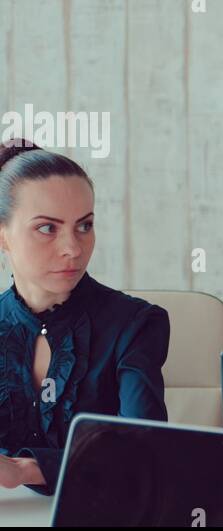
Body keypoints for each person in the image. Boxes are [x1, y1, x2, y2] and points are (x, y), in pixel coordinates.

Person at [0, 140, 170, 495]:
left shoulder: (136, 324)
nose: (73, 248)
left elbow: (145, 452)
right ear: (3, 236)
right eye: (47, 228)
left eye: (84, 225)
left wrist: (25, 470)